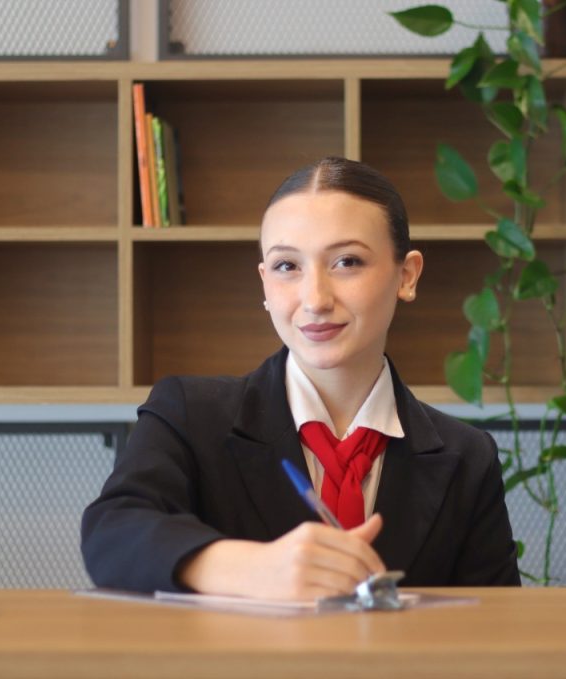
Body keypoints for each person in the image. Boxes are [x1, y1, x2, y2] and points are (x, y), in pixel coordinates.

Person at [81, 157, 520, 600]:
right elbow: (113, 531)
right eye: (287, 266)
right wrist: (251, 570)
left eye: (347, 261)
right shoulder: (189, 414)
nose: (315, 300)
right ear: (264, 283)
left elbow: (497, 622)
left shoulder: (468, 458)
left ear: (406, 276)